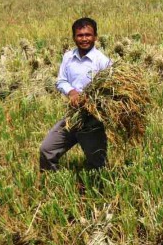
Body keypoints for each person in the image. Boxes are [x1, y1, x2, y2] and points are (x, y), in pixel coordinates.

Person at [39, 17, 112, 171]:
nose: (84, 39)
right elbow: (61, 81)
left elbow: (109, 91)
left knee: (97, 163)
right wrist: (71, 92)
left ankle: (96, 189)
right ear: (74, 37)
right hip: (72, 115)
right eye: (80, 35)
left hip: (93, 119)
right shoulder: (68, 57)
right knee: (47, 149)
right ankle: (53, 182)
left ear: (95, 37)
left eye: (88, 35)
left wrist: (92, 101)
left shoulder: (102, 62)